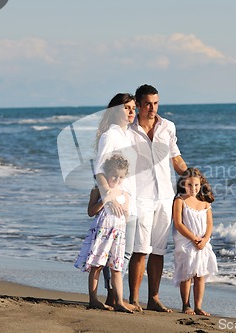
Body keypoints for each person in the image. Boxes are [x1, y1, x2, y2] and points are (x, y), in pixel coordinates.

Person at [128, 84, 188, 312]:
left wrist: (192, 175)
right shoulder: (128, 130)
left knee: (158, 251)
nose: (152, 108)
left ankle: (153, 298)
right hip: (139, 198)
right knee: (140, 249)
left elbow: (176, 158)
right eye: (147, 104)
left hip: (165, 197)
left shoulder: (168, 127)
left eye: (155, 103)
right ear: (138, 103)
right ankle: (134, 299)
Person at [93, 93, 138, 308]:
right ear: (114, 111)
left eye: (133, 108)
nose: (131, 112)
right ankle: (113, 296)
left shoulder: (127, 134)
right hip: (114, 205)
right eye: (126, 108)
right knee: (110, 252)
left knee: (125, 251)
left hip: (129, 200)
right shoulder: (110, 135)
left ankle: (117, 296)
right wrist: (110, 199)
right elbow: (99, 170)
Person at [75, 154, 133, 313]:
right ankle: (93, 299)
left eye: (121, 177)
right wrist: (105, 200)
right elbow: (91, 211)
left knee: (117, 268)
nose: (117, 179)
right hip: (102, 233)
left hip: (118, 234)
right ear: (105, 174)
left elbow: (126, 216)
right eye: (114, 175)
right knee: (97, 265)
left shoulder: (125, 194)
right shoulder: (97, 191)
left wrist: (124, 213)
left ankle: (119, 301)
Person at [172, 167, 218, 316]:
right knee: (187, 273)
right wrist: (193, 238)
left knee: (200, 274)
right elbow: (178, 223)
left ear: (201, 185)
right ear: (184, 184)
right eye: (190, 185)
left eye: (196, 185)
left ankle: (198, 306)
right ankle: (186, 304)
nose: (193, 188)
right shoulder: (180, 200)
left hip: (202, 243)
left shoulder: (204, 202)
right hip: (186, 241)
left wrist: (205, 239)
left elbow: (210, 224)